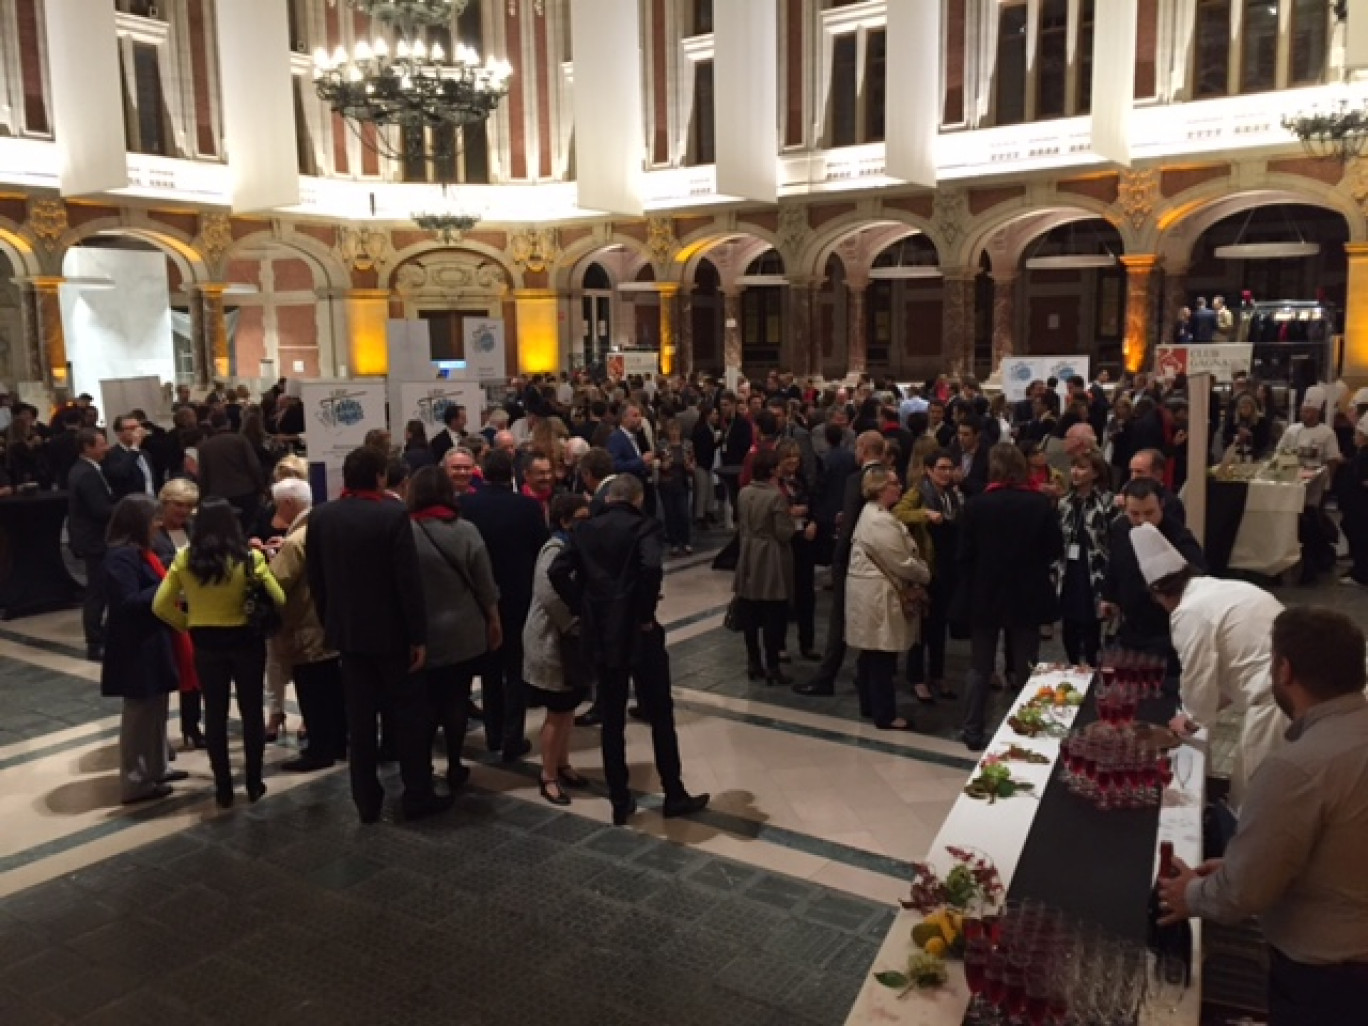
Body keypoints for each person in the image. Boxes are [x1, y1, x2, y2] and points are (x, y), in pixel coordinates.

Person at [1158, 607, 1368, 1026]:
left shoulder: (1297, 767)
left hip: (1327, 980)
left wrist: (1190, 894)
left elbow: (1244, 895)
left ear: (1284, 670)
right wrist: (1240, 865)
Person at [548, 473, 708, 826]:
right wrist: (645, 612)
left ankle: (620, 799)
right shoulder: (644, 527)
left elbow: (558, 570)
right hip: (638, 632)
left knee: (612, 717)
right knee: (660, 713)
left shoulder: (585, 529)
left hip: (603, 631)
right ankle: (673, 792)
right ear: (636, 499)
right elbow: (651, 567)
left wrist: (584, 606)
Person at [306, 446, 449, 823]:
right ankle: (417, 793)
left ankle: (366, 800)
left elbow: (316, 580)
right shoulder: (392, 515)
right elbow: (407, 581)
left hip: (349, 635)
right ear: (380, 477)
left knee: (361, 721)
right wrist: (418, 636)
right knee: (408, 717)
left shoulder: (321, 517)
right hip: (392, 636)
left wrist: (330, 621)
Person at [1131, 523, 1287, 810]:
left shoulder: (1189, 612)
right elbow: (1236, 664)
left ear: (1159, 593)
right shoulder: (1222, 587)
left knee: (1255, 793)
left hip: (1276, 701)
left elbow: (1198, 676)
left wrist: (1190, 718)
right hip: (1307, 684)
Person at [153, 498, 284, 808]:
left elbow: (159, 604)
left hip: (206, 642)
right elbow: (278, 597)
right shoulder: (249, 558)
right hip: (246, 642)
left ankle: (223, 788)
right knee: (252, 713)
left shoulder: (186, 559)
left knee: (214, 714)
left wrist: (187, 623)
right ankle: (253, 782)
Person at [952, 443, 1064, 751]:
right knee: (1027, 664)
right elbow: (1054, 549)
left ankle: (973, 729)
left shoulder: (976, 505)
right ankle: (1025, 727)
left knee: (980, 665)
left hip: (985, 593)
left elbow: (963, 555)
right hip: (1027, 591)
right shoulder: (1038, 504)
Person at [408, 466, 501, 791]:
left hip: (419, 634)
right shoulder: (466, 531)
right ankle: (455, 762)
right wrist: (494, 619)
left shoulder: (405, 532)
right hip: (462, 630)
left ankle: (421, 767)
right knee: (457, 699)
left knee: (425, 703)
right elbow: (485, 584)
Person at [461, 450, 548, 762]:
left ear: (482, 472)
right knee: (515, 671)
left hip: (480, 600)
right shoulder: (526, 507)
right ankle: (512, 737)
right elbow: (542, 547)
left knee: (489, 670)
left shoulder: (466, 505)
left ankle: (493, 733)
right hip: (517, 598)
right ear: (512, 474)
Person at [102, 494, 186, 804]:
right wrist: (168, 584)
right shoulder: (119, 557)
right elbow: (126, 603)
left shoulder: (139, 553)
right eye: (153, 519)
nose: (158, 524)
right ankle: (135, 781)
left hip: (151, 642)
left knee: (157, 710)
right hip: (134, 648)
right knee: (139, 717)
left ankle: (157, 768)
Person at [796, 431, 887, 696]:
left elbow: (849, 528)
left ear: (863, 449)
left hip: (853, 559)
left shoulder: (856, 480)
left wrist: (837, 558)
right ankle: (865, 674)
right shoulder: (890, 478)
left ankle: (826, 677)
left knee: (839, 621)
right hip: (878, 561)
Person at [267, 478, 345, 774]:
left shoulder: (297, 539)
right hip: (328, 621)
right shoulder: (323, 527)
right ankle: (337, 743)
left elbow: (277, 582)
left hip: (305, 626)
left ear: (288, 503)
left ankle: (319, 749)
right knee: (331, 688)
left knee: (313, 691)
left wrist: (267, 562)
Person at [847, 466, 930, 731]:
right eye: (894, 483)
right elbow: (901, 561)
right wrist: (924, 573)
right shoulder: (880, 520)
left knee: (870, 653)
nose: (900, 487)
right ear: (881, 488)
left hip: (871, 592)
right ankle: (885, 714)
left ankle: (870, 705)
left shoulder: (872, 513)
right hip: (879, 595)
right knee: (881, 655)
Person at [524, 493, 593, 806]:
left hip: (567, 641)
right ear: (565, 521)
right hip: (551, 641)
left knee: (567, 708)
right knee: (556, 710)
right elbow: (549, 595)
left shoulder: (574, 546)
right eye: (580, 518)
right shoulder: (553, 550)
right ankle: (548, 775)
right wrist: (572, 625)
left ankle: (563, 764)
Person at [1100, 477, 1206, 680]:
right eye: (1134, 513)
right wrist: (1109, 595)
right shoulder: (1121, 529)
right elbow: (1114, 564)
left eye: (1149, 513)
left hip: (1166, 630)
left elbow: (1198, 577)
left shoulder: (1179, 536)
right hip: (1131, 626)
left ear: (1162, 505)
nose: (1142, 521)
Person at [734, 448, 796, 686]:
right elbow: (783, 532)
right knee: (772, 614)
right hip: (769, 557)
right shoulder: (775, 497)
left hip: (748, 553)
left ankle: (753, 662)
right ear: (772, 470)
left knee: (750, 612)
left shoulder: (744, 493)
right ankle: (772, 666)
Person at [153, 477, 203, 749]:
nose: (183, 512)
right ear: (166, 503)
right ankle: (157, 737)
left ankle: (192, 726)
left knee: (194, 672)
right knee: (170, 671)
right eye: (178, 506)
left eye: (189, 507)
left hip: (194, 606)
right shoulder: (153, 533)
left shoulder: (194, 529)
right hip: (168, 609)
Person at [908, 448, 963, 700]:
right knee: (920, 628)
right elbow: (898, 513)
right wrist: (925, 514)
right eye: (941, 468)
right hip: (926, 566)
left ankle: (937, 675)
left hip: (947, 567)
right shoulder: (919, 492)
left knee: (939, 626)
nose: (946, 473)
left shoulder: (952, 494)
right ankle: (917, 678)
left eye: (949, 468)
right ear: (929, 470)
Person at [1056, 449, 1116, 667]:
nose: (1075, 472)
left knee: (1091, 623)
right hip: (1068, 568)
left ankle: (1092, 666)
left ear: (1096, 473)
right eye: (1073, 467)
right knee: (1068, 623)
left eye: (1082, 468)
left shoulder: (1107, 503)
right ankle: (1072, 664)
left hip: (1094, 569)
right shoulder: (1064, 503)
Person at [69, 428, 115, 661]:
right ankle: (95, 642)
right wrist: (121, 510)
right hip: (94, 540)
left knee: (102, 589)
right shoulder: (86, 474)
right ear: (88, 448)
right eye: (101, 444)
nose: (106, 448)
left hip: (95, 538)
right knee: (97, 592)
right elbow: (99, 509)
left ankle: (104, 635)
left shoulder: (88, 470)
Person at [776, 438, 819, 660]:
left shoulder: (803, 480)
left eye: (796, 456)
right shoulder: (775, 484)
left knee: (806, 594)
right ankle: (779, 645)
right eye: (788, 457)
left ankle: (807, 643)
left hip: (803, 540)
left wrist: (812, 520)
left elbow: (814, 505)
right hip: (783, 542)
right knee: (782, 595)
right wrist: (788, 512)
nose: (793, 461)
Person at [197, 410, 267, 525]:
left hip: (219, 496)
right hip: (245, 492)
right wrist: (261, 488)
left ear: (212, 425)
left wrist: (203, 499)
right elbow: (254, 466)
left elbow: (203, 477)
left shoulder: (205, 447)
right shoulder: (240, 440)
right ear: (228, 423)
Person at [1277, 386, 1341, 470]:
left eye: (1307, 411)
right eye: (1302, 411)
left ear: (1317, 413)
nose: (1303, 414)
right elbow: (1279, 452)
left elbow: (1333, 460)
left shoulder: (1327, 432)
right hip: (1292, 475)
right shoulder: (1291, 429)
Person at [657, 418, 695, 557]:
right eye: (671, 430)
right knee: (670, 514)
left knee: (684, 513)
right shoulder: (661, 445)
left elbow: (692, 464)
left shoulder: (687, 445)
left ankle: (686, 541)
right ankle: (674, 543)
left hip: (682, 483)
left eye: (676, 430)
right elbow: (657, 463)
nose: (674, 433)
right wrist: (662, 465)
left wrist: (690, 467)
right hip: (666, 484)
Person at [105, 414, 158, 498]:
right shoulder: (112, 454)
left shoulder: (145, 453)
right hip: (130, 504)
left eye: (138, 427)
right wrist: (135, 446)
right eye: (131, 428)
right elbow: (121, 474)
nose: (137, 431)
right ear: (119, 433)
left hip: (150, 502)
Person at [949, 414, 990, 496]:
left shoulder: (988, 455)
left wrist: (964, 481)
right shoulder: (952, 451)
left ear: (977, 435)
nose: (961, 438)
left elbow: (988, 487)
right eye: (959, 433)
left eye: (966, 434)